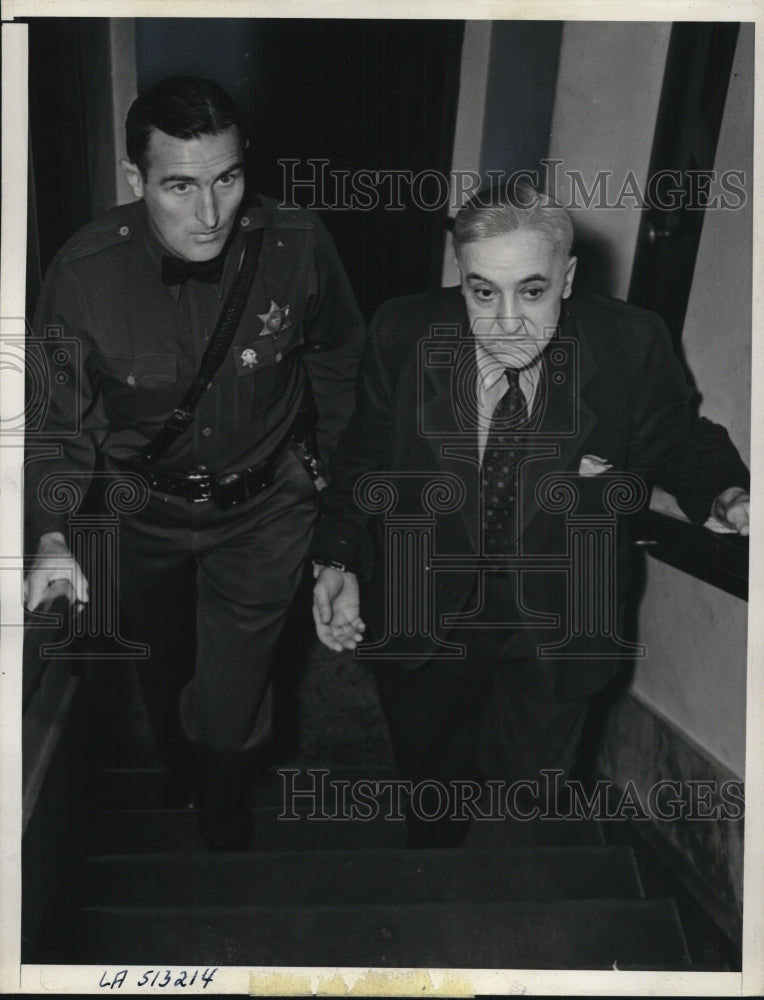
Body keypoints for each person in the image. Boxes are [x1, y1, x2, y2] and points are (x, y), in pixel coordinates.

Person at [310, 183, 749, 846]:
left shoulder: (630, 344)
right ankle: (437, 884)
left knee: (529, 805)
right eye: (483, 291)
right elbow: (363, 459)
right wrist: (337, 557)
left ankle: (509, 907)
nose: (507, 321)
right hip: (428, 603)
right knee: (431, 788)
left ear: (567, 279)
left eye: (533, 290)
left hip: (561, 612)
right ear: (460, 277)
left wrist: (730, 496)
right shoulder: (403, 332)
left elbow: (680, 441)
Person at [24, 76, 365, 849]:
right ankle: (180, 759)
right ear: (136, 179)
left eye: (228, 179)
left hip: (265, 504)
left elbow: (342, 363)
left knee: (237, 671)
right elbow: (57, 419)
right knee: (162, 652)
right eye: (180, 186)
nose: (210, 214)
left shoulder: (297, 245)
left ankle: (220, 793)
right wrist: (49, 533)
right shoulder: (83, 276)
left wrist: (344, 508)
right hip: (140, 509)